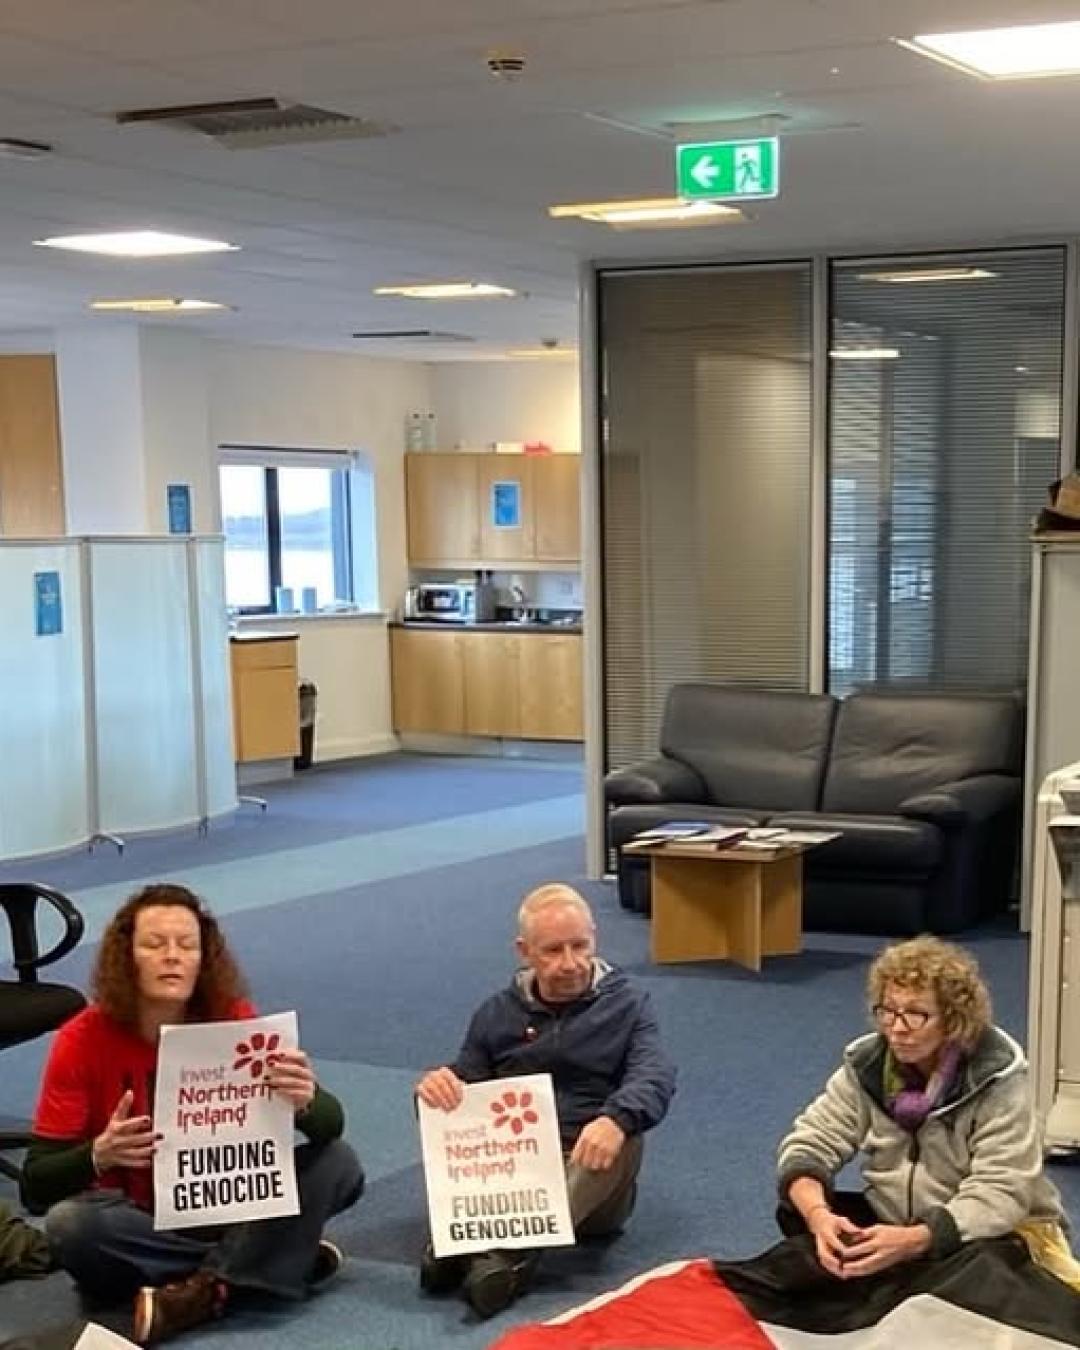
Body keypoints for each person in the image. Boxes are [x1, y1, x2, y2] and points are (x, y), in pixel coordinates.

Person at [24, 883, 364, 1346]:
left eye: (187, 945)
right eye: (154, 944)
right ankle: (269, 1259)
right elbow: (36, 1184)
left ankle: (201, 1294)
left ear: (204, 959)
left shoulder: (231, 1017)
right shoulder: (80, 1040)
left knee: (338, 1163)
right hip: (139, 1220)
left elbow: (330, 1125)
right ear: (126, 958)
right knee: (71, 1226)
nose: (172, 956)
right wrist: (98, 1155)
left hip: (227, 1206)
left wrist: (303, 1099)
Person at [415, 883, 676, 1318]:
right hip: (522, 1171)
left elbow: (655, 1074)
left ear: (595, 939)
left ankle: (504, 1255)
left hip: (590, 1178)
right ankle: (484, 1247)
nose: (570, 963)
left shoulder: (629, 1004)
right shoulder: (495, 1013)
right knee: (441, 1106)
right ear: (524, 952)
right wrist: (437, 1088)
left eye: (580, 946)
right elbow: (467, 1084)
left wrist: (616, 1119)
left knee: (623, 1132)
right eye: (553, 950)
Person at [775, 935, 1078, 1288]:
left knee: (985, 1275)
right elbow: (810, 1144)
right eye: (888, 1011)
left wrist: (917, 1239)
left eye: (916, 1014)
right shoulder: (867, 1065)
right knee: (797, 1209)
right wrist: (819, 1216)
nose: (897, 1028)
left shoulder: (998, 1080)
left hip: (987, 1235)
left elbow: (1001, 1191)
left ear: (953, 1020)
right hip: (899, 1224)